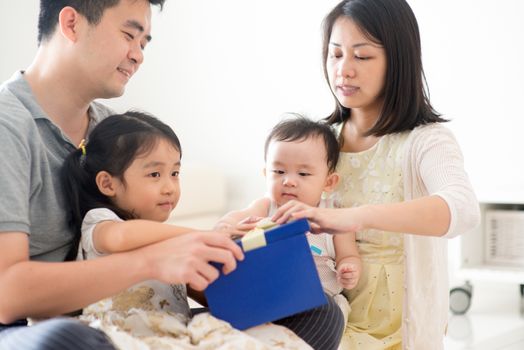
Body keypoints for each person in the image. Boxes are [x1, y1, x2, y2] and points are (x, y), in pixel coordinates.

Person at [0, 1, 344, 349]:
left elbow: (164, 274)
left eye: (144, 43)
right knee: (67, 341)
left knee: (317, 312)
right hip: (33, 326)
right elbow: (7, 295)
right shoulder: (8, 126)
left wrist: (229, 266)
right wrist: (156, 258)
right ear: (72, 24)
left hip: (139, 318)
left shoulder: (113, 133)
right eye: (129, 35)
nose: (138, 55)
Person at [270, 1, 481, 349]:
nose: (344, 70)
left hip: (394, 333)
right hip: (321, 317)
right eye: (335, 54)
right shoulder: (321, 141)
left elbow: (463, 209)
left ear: (397, 61)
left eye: (362, 56)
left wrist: (349, 217)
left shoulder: (425, 141)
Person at [216, 116, 362, 323]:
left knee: (335, 312)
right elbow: (233, 219)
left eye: (303, 173)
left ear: (328, 182)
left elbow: (349, 255)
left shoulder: (334, 218)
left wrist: (349, 268)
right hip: (270, 295)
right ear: (266, 173)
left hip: (318, 301)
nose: (289, 181)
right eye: (279, 171)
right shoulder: (266, 207)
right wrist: (227, 227)